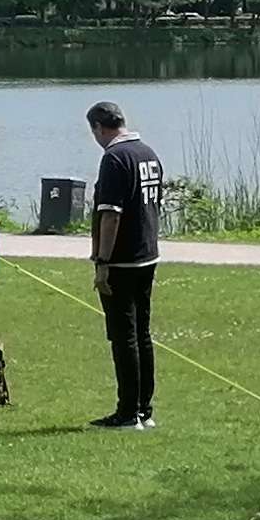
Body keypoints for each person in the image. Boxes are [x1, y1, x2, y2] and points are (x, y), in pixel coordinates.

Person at [85, 99, 166, 431]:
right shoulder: (148, 153)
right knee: (141, 333)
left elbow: (110, 215)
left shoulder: (115, 157)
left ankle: (127, 412)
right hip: (147, 253)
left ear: (98, 127)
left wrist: (102, 261)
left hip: (122, 259)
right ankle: (144, 409)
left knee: (123, 337)